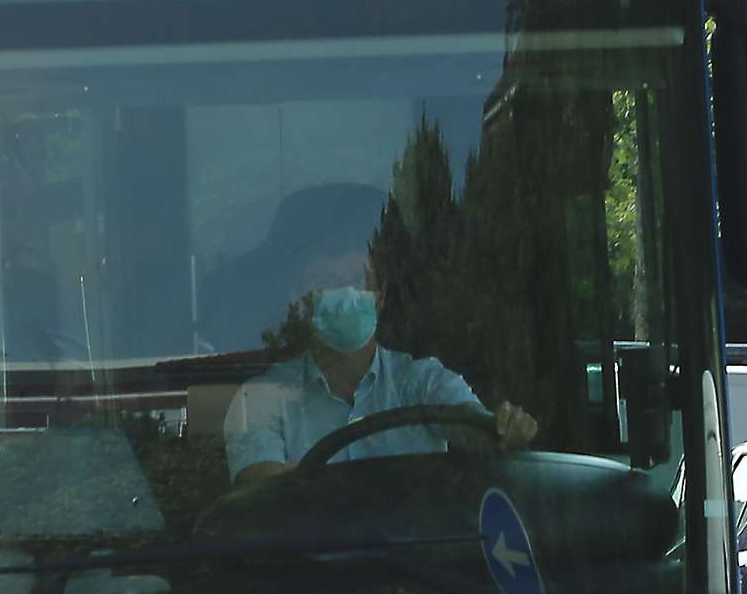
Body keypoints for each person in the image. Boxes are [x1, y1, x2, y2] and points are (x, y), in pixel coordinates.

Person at [222, 193, 536, 484]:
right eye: (327, 282)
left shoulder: (423, 383)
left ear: (380, 295)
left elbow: (477, 432)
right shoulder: (262, 398)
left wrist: (506, 431)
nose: (346, 294)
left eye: (359, 280)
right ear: (301, 300)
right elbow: (261, 486)